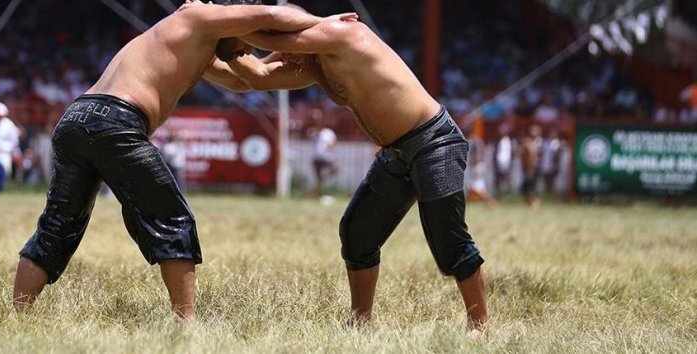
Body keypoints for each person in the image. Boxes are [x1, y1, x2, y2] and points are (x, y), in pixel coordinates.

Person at [11, 0, 333, 321]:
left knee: (58, 225)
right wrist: (328, 26)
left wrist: (304, 65)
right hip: (117, 121)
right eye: (248, 41)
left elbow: (249, 78)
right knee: (173, 218)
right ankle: (186, 324)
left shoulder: (192, 39)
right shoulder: (201, 14)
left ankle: (18, 316)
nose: (246, 50)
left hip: (76, 119)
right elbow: (272, 14)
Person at [221, 12, 488, 329]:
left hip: (434, 141)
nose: (285, 56)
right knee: (357, 232)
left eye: (285, 40)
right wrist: (219, 51)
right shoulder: (317, 64)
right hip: (397, 152)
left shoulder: (343, 32)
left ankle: (479, 325)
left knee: (448, 239)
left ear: (295, 27)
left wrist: (223, 24)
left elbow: (278, 41)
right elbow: (259, 76)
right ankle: (360, 322)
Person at [312, 125, 338, 197]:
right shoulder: (315, 133)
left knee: (335, 169)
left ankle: (324, 177)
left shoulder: (329, 132)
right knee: (318, 179)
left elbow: (333, 143)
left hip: (327, 158)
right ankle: (318, 194)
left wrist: (330, 146)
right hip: (317, 158)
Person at [520, 125, 542, 207]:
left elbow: (532, 157)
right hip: (529, 169)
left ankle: (534, 203)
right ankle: (529, 203)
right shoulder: (527, 142)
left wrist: (530, 168)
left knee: (531, 188)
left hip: (532, 169)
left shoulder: (535, 143)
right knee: (526, 188)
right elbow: (523, 157)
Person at [539, 130, 562, 195]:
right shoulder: (545, 142)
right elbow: (542, 153)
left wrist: (556, 165)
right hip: (545, 164)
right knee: (545, 181)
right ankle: (547, 194)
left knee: (552, 181)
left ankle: (552, 194)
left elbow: (557, 155)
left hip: (553, 165)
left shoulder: (556, 143)